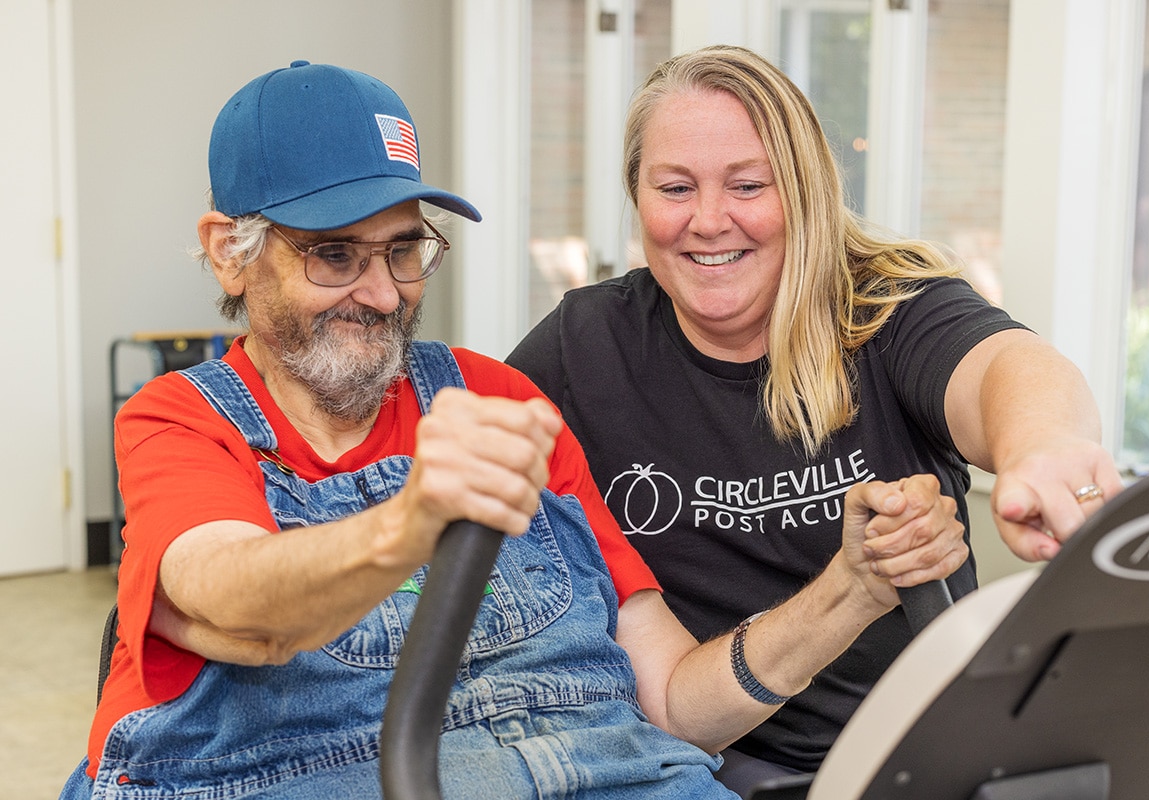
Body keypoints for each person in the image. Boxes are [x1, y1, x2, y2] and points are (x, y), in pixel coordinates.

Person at [60, 61, 967, 800]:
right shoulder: (178, 420)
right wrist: (410, 526)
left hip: (607, 773)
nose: (381, 293)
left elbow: (674, 706)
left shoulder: (501, 397)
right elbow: (239, 607)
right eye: (334, 254)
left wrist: (852, 587)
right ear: (231, 249)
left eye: (404, 250)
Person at [506, 44, 1126, 793]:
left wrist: (1043, 445)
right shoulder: (582, 349)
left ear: (804, 192)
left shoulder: (885, 309)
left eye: (747, 185)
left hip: (928, 749)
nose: (707, 221)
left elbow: (1006, 367)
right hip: (715, 762)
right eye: (674, 187)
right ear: (636, 196)